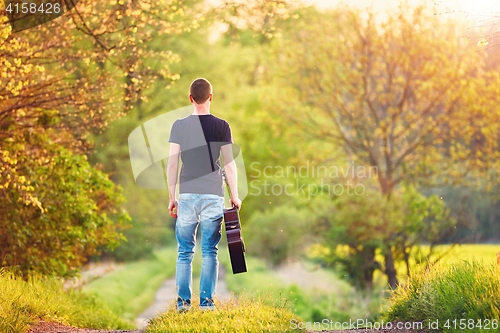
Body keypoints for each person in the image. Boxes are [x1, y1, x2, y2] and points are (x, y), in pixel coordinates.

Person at [167, 78, 242, 311]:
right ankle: (207, 305)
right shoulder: (222, 125)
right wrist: (235, 195)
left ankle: (182, 305)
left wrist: (172, 196)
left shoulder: (178, 125)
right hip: (212, 194)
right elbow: (229, 164)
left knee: (184, 251)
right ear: (211, 97)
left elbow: (172, 163)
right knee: (210, 250)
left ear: (190, 98)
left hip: (187, 194)